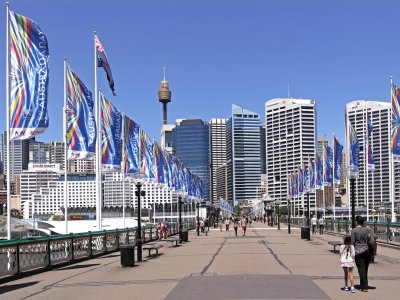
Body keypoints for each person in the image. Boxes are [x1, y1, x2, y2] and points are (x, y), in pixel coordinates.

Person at [351, 216, 373, 292]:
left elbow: (352, 242)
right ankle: (363, 284)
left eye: (355, 220)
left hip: (358, 251)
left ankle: (364, 287)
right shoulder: (366, 229)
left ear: (357, 221)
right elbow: (370, 238)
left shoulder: (354, 230)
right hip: (367, 250)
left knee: (361, 269)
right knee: (365, 269)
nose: (354, 222)